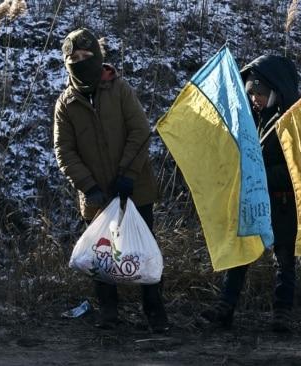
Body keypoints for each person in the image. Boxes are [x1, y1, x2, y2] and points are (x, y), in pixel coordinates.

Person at [53, 28, 168, 333]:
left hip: (135, 190)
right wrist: (88, 186)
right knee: (101, 256)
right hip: (95, 198)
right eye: (73, 58)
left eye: (85, 56)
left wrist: (128, 176)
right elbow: (64, 151)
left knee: (143, 251)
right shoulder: (65, 104)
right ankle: (109, 313)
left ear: (98, 57)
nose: (79, 62)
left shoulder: (120, 90)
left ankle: (155, 313)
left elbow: (140, 132)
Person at [201, 55, 300, 332]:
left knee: (285, 259)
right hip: (251, 199)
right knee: (240, 254)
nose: (255, 98)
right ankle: (225, 308)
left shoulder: (291, 124)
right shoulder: (248, 121)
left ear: (275, 93)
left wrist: (260, 175)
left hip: (281, 203)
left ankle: (282, 314)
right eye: (251, 93)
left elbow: (296, 169)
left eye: (261, 93)